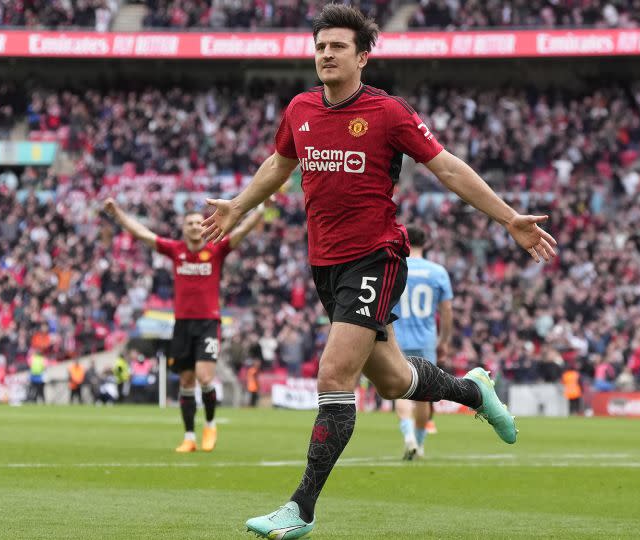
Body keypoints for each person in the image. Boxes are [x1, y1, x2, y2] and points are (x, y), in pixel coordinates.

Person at [202, 5, 557, 538]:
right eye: (320, 46)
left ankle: (301, 508)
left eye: (337, 46)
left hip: (377, 256)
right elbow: (280, 163)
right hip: (326, 265)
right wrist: (238, 205)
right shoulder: (299, 108)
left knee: (333, 377)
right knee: (393, 381)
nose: (325, 54)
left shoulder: (388, 113)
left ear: (362, 56)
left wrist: (508, 218)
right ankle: (474, 391)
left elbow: (447, 166)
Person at [103, 199, 263, 453]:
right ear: (183, 227)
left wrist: (262, 208)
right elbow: (141, 233)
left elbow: (242, 230)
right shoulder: (175, 250)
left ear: (205, 226)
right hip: (182, 325)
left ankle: (210, 425)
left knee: (204, 376)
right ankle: (189, 436)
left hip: (208, 323)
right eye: (189, 222)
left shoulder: (216, 249)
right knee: (186, 381)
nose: (194, 226)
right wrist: (118, 213)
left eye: (198, 222)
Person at [390, 226, 453, 460]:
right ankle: (420, 443)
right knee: (424, 394)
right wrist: (443, 340)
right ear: (425, 243)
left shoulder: (395, 267)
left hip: (397, 339)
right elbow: (446, 312)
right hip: (426, 340)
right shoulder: (438, 272)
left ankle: (408, 437)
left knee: (400, 391)